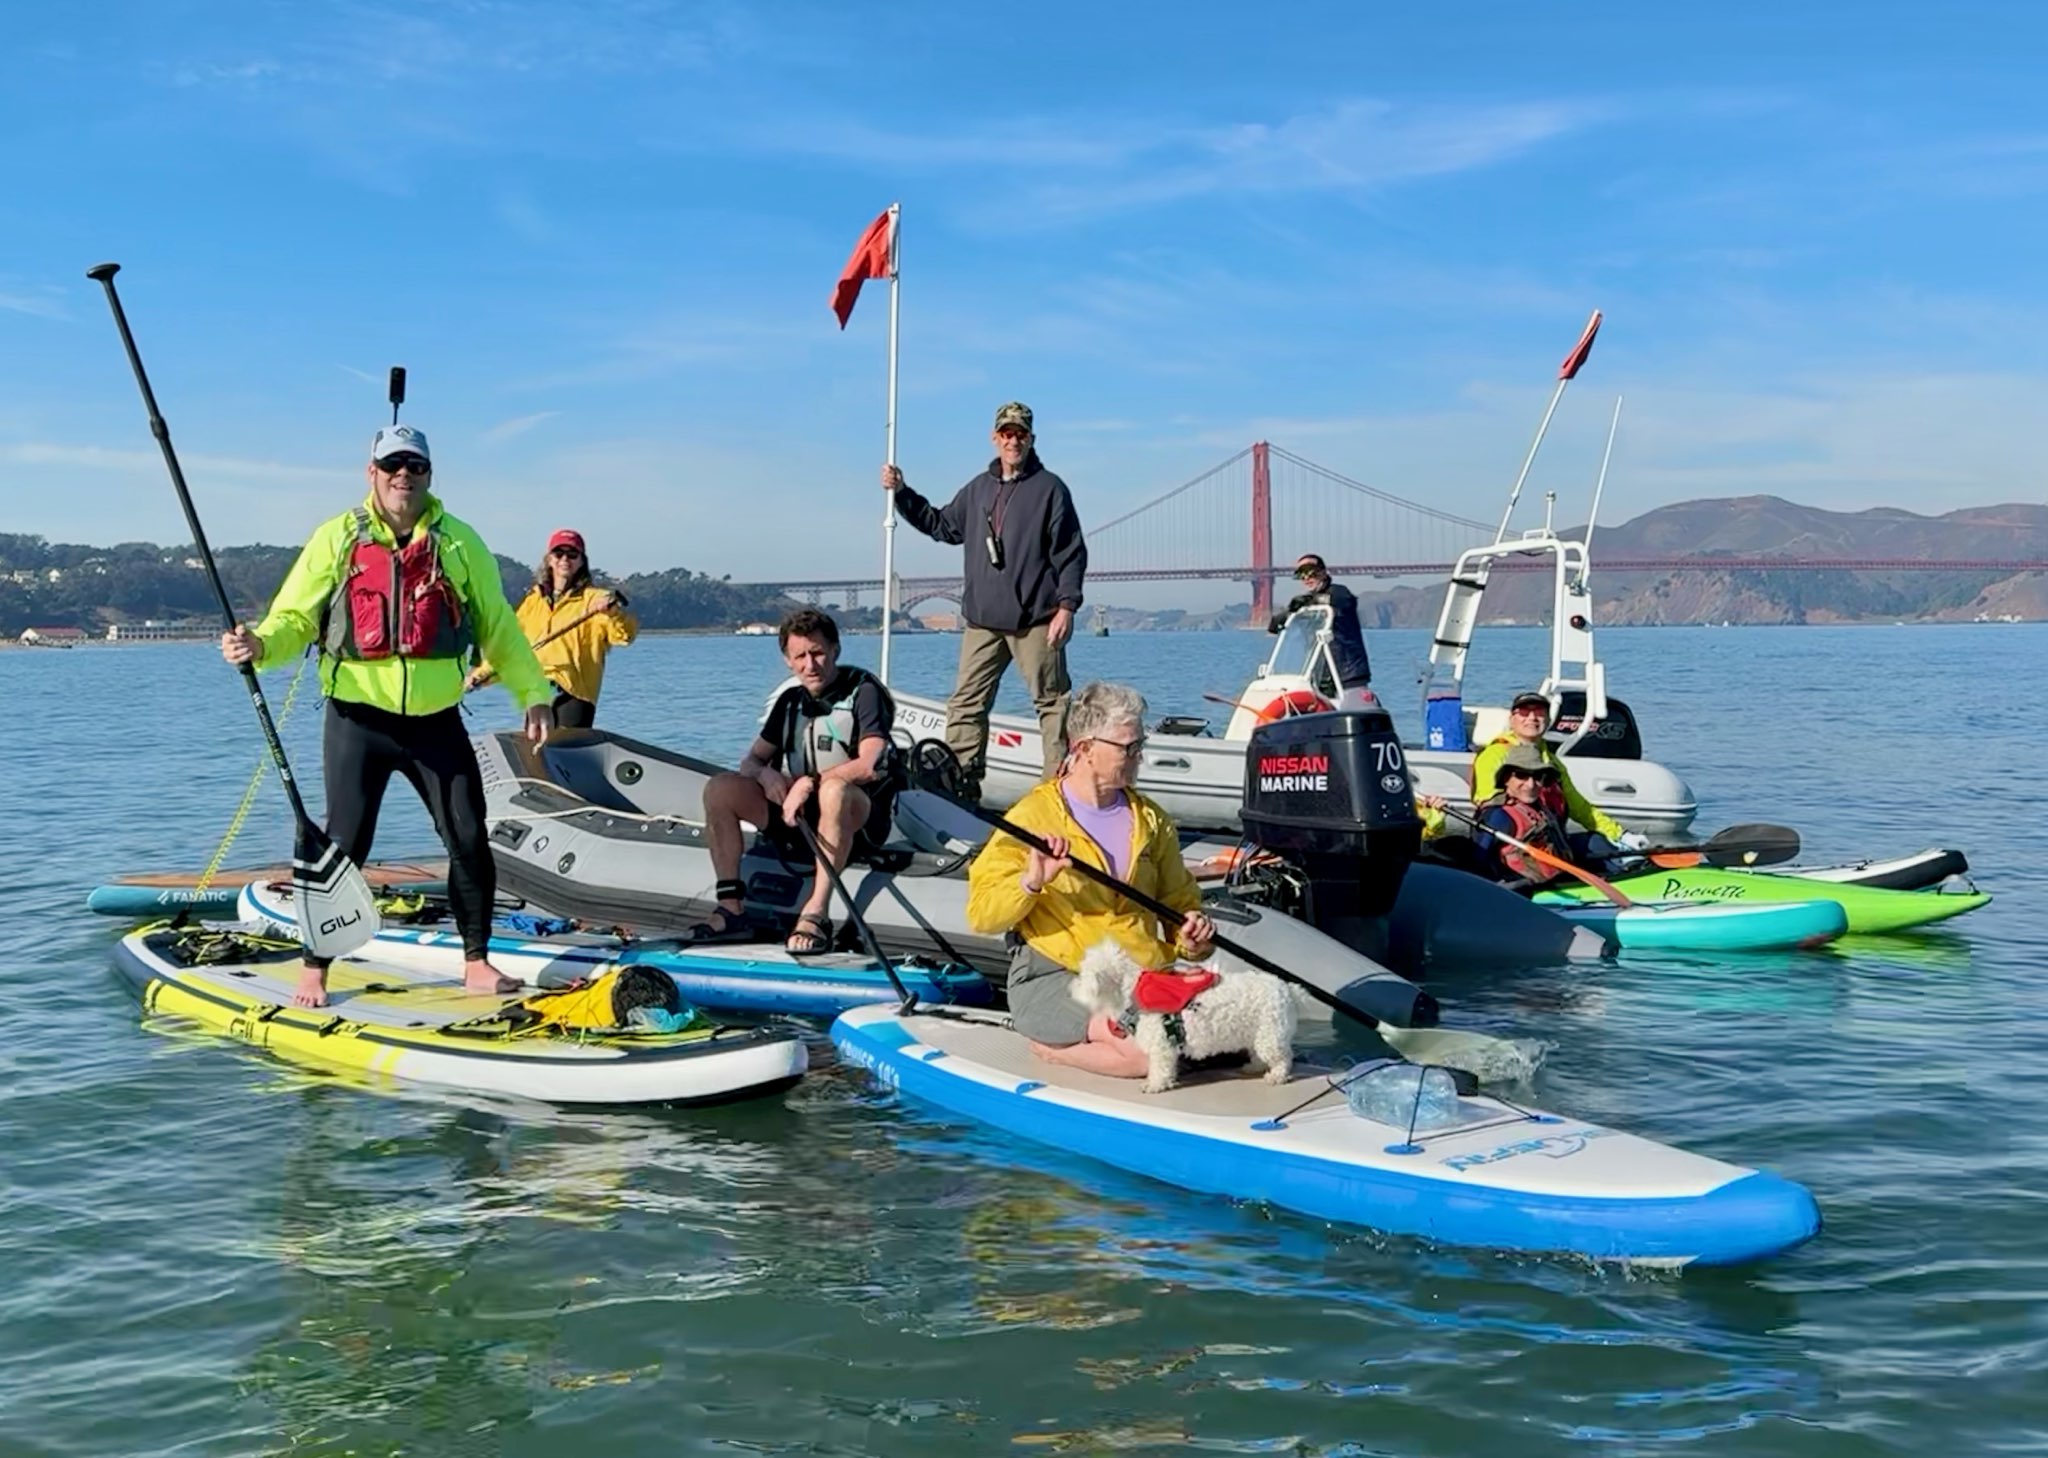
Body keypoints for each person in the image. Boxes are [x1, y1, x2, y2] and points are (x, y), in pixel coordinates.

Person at [219, 423, 553, 1008]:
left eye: (415, 465)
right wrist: (260, 645)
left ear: (429, 475)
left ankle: (476, 962)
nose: (404, 474)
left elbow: (499, 627)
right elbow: (294, 618)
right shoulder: (337, 539)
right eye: (392, 464)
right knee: (345, 844)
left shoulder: (460, 543)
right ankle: (314, 968)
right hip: (358, 722)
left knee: (470, 838)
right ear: (371, 472)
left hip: (436, 722)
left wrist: (534, 693)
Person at [966, 681, 1217, 1079]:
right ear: (1084, 748)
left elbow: (1178, 903)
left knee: (1213, 1038)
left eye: (1140, 744)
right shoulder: (1031, 818)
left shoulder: (1151, 820)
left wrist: (1191, 936)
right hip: (1058, 976)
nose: (1139, 757)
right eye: (1127, 748)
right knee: (1148, 1056)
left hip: (1139, 974)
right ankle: (1055, 1051)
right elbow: (982, 916)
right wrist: (1031, 881)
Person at [882, 401, 1087, 800]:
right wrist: (902, 493)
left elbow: (1071, 552)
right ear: (995, 438)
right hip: (982, 622)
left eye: (1021, 434)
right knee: (965, 705)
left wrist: (1068, 606)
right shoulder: (977, 489)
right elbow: (941, 525)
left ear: (1032, 439)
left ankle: (1057, 793)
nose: (1014, 440)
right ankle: (960, 787)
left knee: (1053, 707)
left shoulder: (1051, 489)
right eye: (1007, 433)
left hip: (1036, 619)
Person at [686, 608, 895, 955]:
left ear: (836, 650)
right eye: (800, 656)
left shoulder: (864, 692)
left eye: (818, 653)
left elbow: (871, 762)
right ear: (788, 660)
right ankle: (731, 908)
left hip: (857, 815)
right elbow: (750, 760)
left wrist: (809, 782)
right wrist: (766, 774)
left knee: (834, 789)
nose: (810, 665)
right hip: (800, 817)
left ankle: (817, 911)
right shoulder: (789, 702)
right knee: (720, 788)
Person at [470, 528, 637, 728]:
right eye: (559, 554)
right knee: (533, 752)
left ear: (581, 561)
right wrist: (481, 675)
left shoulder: (596, 599)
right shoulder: (533, 601)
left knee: (564, 752)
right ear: (549, 559)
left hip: (573, 694)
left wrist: (613, 613)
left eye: (572, 554)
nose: (565, 559)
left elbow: (625, 636)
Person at [1469, 690, 1649, 852]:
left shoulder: (1552, 761)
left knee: (1598, 843)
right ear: (1512, 720)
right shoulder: (1493, 755)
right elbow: (1488, 803)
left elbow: (1580, 808)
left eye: (1539, 712)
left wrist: (1621, 835)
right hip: (1518, 845)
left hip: (1551, 842)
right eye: (1524, 712)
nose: (1532, 718)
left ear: (1548, 720)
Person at [1473, 743, 1584, 886]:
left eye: (1538, 777)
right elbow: (1476, 863)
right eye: (1521, 776)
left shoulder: (1544, 809)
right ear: (1506, 779)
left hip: (1556, 881)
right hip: (1522, 891)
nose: (1531, 785)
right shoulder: (1498, 816)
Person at [1268, 552, 1373, 700]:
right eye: (1301, 574)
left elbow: (1340, 600)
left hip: (1347, 676)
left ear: (1323, 572)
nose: (1306, 577)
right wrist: (1284, 616)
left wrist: (1306, 602)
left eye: (1311, 571)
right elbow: (1274, 625)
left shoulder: (1339, 594)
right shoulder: (1306, 607)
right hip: (1318, 677)